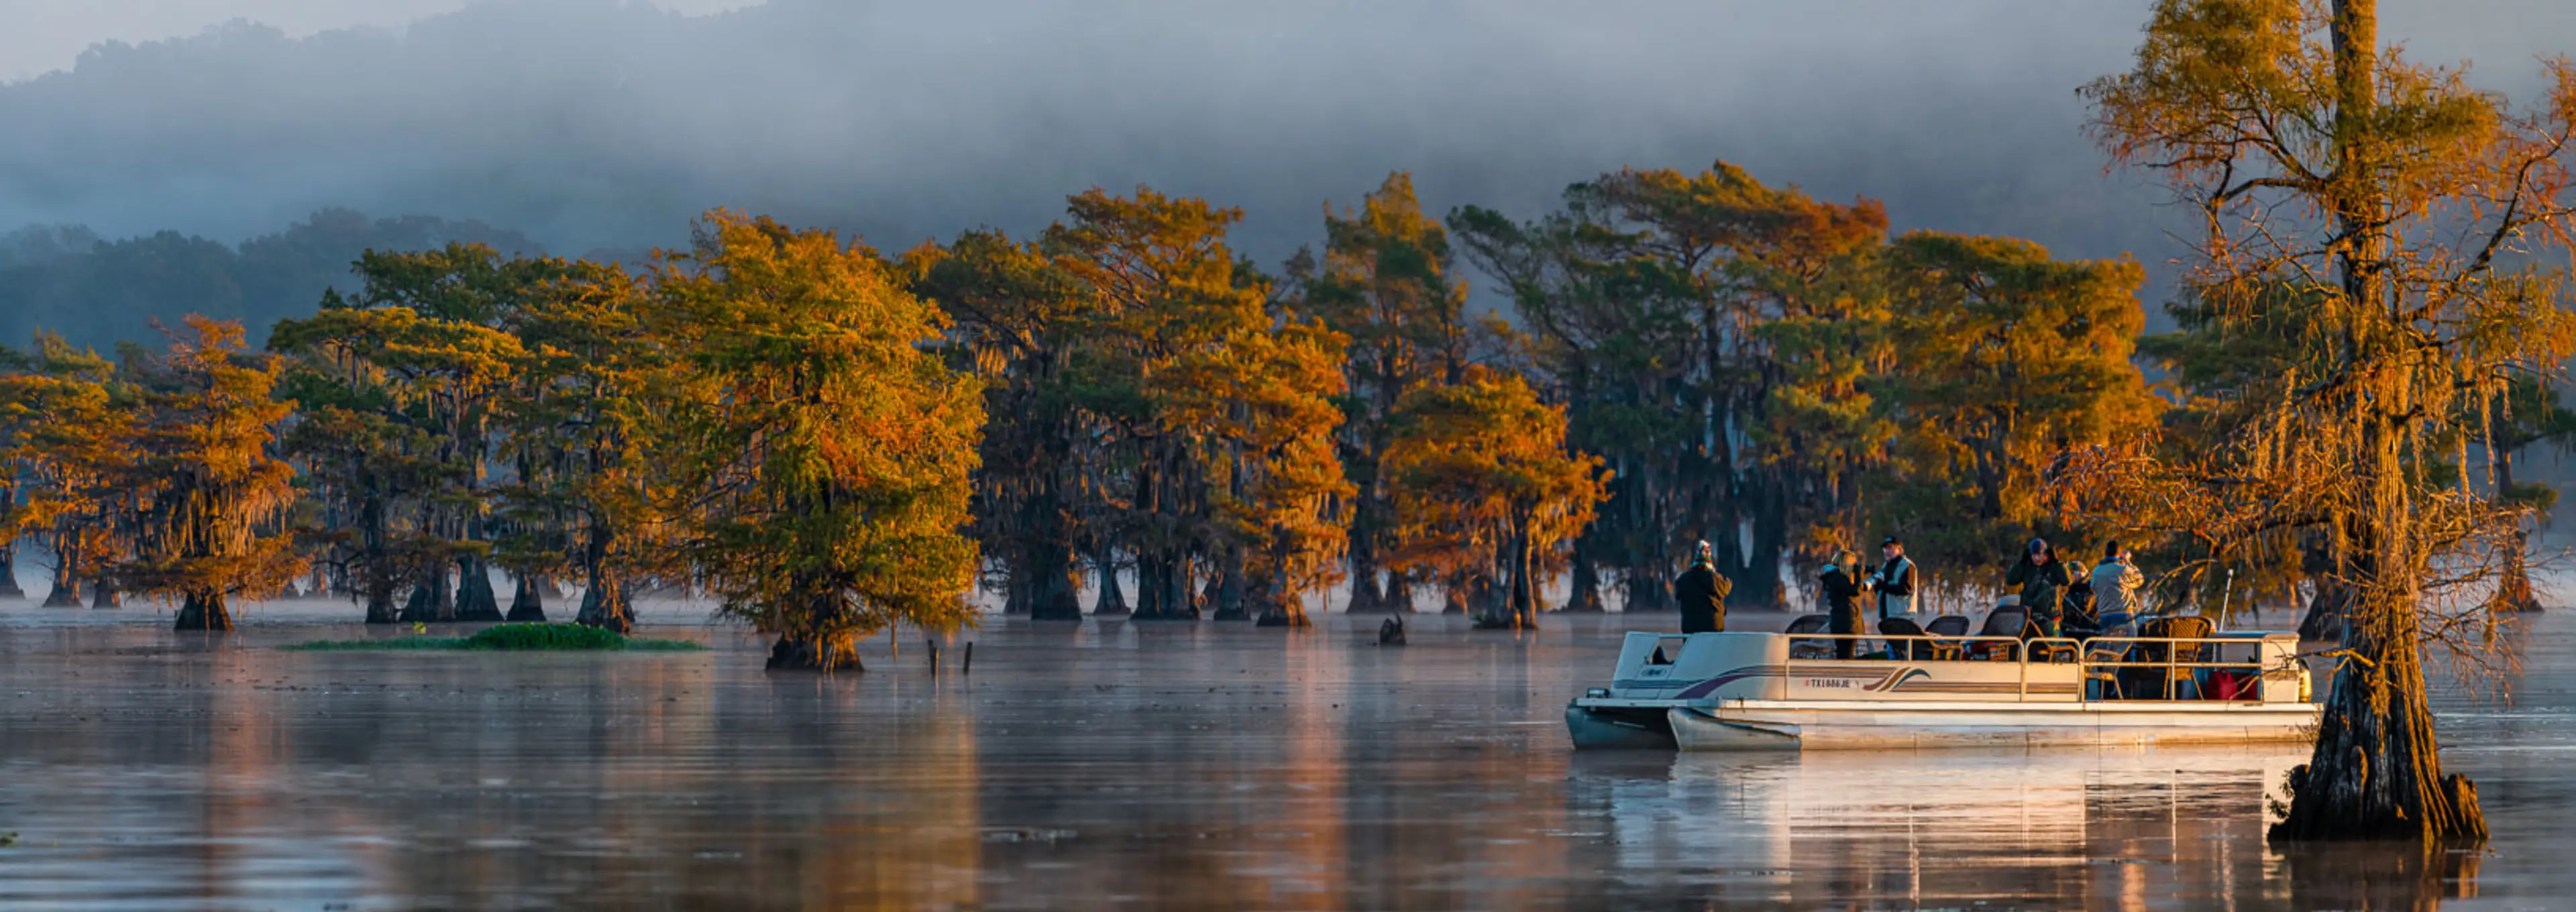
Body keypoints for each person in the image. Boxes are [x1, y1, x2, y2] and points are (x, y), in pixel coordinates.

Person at [2004, 538, 2075, 639]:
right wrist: (2021, 563)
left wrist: (2058, 563)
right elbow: (2010, 580)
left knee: (2049, 647)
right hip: (2029, 616)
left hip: (2050, 616)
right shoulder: (2026, 567)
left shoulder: (2054, 567)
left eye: (2040, 555)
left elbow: (2067, 581)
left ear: (2046, 555)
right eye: (2034, 555)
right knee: (2025, 645)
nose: (2038, 559)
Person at [1673, 540, 1731, 634]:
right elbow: (1726, 587)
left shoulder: (1684, 579)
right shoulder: (1715, 579)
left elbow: (1676, 594)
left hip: (1690, 628)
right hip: (1713, 628)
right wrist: (1726, 579)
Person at [1819, 551, 1865, 659]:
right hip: (1846, 624)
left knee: (1844, 654)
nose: (1854, 567)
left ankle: (1843, 674)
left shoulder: (1834, 577)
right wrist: (1859, 574)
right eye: (1853, 564)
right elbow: (1856, 590)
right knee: (1846, 656)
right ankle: (1845, 675)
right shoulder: (1837, 578)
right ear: (1846, 563)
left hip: (1843, 623)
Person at [2091, 541, 2146, 627]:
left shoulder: (2096, 571)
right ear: (2120, 554)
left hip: (2104, 615)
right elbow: (2140, 579)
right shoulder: (2123, 570)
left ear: (2105, 553)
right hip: (2123, 614)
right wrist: (2127, 561)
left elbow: (2093, 588)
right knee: (2130, 638)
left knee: (2108, 640)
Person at [1864, 536, 1917, 623]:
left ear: (1900, 550)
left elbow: (1907, 589)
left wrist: (1884, 586)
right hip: (1887, 615)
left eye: (1891, 548)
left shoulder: (1907, 565)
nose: (1887, 551)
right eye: (1885, 549)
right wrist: (1876, 585)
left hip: (1902, 616)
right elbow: (1882, 591)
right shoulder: (1886, 566)